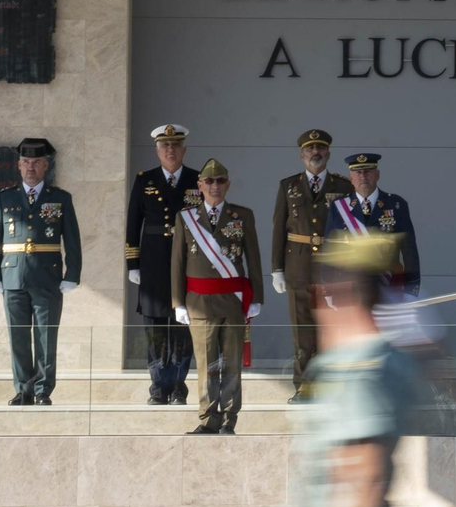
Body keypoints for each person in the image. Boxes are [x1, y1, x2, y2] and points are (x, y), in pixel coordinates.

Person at [276, 231, 424, 507]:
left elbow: (363, 467)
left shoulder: (360, 367)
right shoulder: (382, 360)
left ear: (339, 295)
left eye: (321, 291)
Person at [0, 138, 81, 406]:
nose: (30, 167)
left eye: (36, 162)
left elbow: (72, 240)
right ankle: (23, 389)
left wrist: (72, 274)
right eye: (26, 162)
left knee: (45, 336)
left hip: (47, 277)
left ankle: (42, 390)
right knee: (17, 336)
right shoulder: (5, 197)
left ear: (45, 166)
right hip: (13, 277)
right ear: (18, 165)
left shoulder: (60, 198)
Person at [171, 158, 264, 435]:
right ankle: (208, 418)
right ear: (199, 185)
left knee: (232, 364)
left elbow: (254, 259)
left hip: (233, 302)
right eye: (209, 181)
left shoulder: (242, 215)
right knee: (206, 365)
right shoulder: (186, 217)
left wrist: (257, 297)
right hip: (199, 303)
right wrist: (178, 302)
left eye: (220, 180)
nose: (215, 185)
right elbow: (177, 263)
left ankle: (229, 419)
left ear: (228, 184)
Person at [273, 128, 351, 403]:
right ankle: (304, 386)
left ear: (328, 153)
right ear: (301, 155)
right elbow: (279, 229)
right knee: (302, 331)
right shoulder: (288, 186)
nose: (315, 152)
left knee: (331, 328)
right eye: (310, 148)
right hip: (298, 266)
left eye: (320, 148)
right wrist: (277, 269)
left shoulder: (343, 186)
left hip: (332, 267)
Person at [125, 123, 198, 405]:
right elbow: (133, 223)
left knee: (183, 327)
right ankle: (158, 386)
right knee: (155, 328)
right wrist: (133, 263)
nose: (170, 150)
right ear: (157, 151)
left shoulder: (197, 179)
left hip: (188, 261)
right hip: (153, 261)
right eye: (165, 146)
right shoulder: (145, 180)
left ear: (184, 149)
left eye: (175, 145)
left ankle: (178, 386)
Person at [326, 154, 423, 344]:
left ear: (377, 174)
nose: (363, 176)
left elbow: (409, 248)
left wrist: (411, 288)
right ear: (351, 177)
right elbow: (330, 249)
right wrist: (328, 289)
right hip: (351, 286)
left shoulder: (395, 204)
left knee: (388, 338)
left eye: (368, 171)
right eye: (358, 172)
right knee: (353, 340)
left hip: (387, 285)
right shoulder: (338, 206)